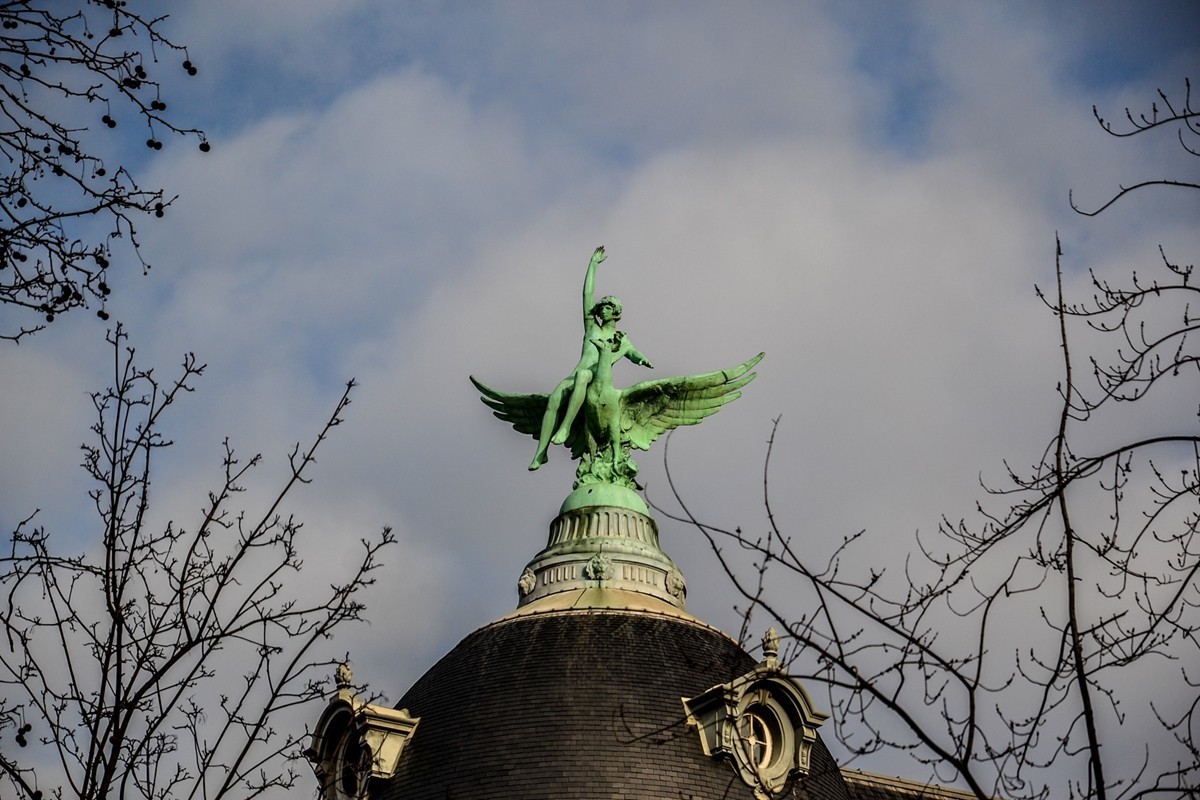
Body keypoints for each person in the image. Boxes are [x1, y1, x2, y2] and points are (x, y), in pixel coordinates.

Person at [529, 246, 652, 470]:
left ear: (616, 312)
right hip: (577, 375)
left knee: (585, 376)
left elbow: (633, 352)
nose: (601, 311)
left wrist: (642, 360)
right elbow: (586, 295)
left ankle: (565, 427)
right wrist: (593, 265)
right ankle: (541, 452)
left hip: (595, 378)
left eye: (606, 307)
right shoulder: (591, 328)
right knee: (553, 400)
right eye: (601, 307)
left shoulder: (620, 338)